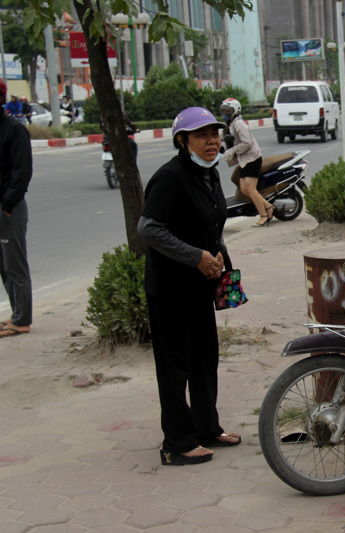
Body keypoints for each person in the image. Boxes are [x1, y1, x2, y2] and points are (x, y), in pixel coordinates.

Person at [137, 107, 242, 466]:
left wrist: (221, 262)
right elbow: (149, 228)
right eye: (202, 135)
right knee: (175, 366)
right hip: (170, 289)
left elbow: (211, 224)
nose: (212, 141)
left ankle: (206, 427)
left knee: (204, 359)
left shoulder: (210, 175)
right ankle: (177, 443)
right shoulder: (171, 177)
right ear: (183, 141)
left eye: (215, 134)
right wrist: (195, 256)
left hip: (202, 285)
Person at [0, 78, 34, 339]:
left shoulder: (15, 130)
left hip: (9, 208)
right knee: (4, 265)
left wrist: (8, 205)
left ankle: (22, 320)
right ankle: (16, 313)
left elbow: (22, 173)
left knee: (15, 264)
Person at [220, 98, 273, 227]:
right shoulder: (230, 124)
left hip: (252, 159)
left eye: (228, 111)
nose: (225, 113)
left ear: (235, 111)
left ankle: (264, 215)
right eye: (224, 111)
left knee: (250, 188)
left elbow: (247, 142)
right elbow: (225, 137)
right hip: (245, 160)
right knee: (244, 189)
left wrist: (232, 151)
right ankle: (269, 207)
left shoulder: (239, 124)